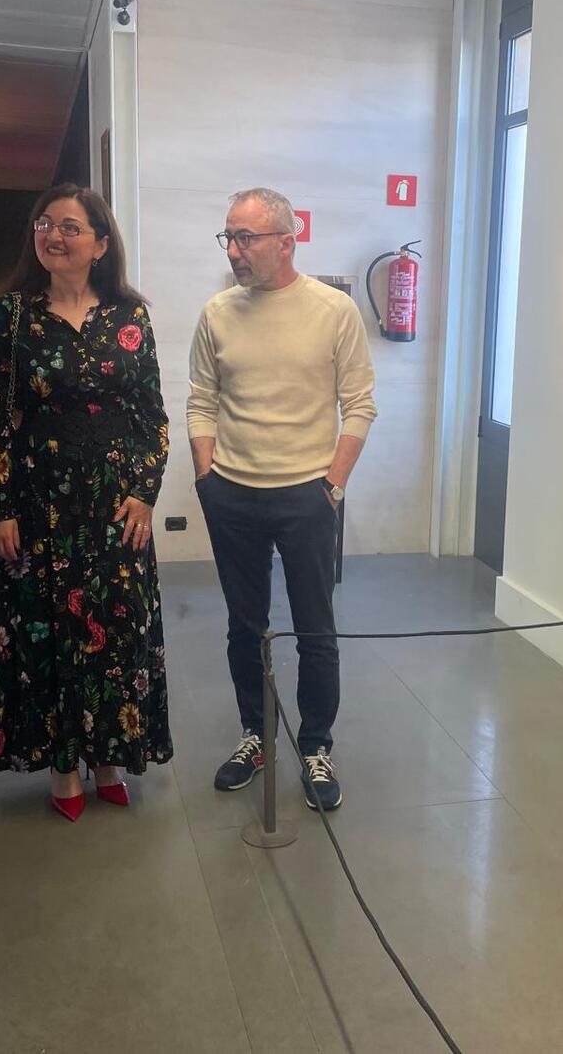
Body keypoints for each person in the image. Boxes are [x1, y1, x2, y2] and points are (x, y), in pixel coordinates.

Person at [0, 184, 171, 822]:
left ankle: (108, 753)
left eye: (70, 227)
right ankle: (62, 762)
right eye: (44, 224)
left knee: (114, 627)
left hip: (115, 502)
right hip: (39, 499)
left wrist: (144, 492)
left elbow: (152, 416)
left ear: (101, 244)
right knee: (51, 630)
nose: (53, 235)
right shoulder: (12, 316)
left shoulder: (130, 318)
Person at [188, 187, 377, 811]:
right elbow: (201, 400)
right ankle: (256, 735)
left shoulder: (333, 311)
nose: (235, 251)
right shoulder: (217, 312)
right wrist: (206, 478)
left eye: (247, 238)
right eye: (229, 238)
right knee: (246, 626)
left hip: (307, 496)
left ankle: (316, 744)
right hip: (233, 494)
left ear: (286, 241)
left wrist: (332, 485)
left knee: (315, 628)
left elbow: (361, 405)